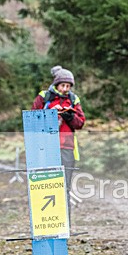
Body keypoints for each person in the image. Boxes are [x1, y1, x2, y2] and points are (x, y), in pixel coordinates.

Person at [31, 66, 86, 218]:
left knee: (64, 188)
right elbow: (32, 119)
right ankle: (47, 222)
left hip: (67, 148)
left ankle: (64, 225)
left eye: (68, 86)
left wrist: (70, 117)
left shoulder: (74, 100)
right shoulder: (44, 97)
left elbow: (80, 123)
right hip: (46, 147)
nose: (65, 89)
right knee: (47, 185)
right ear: (56, 84)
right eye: (63, 85)